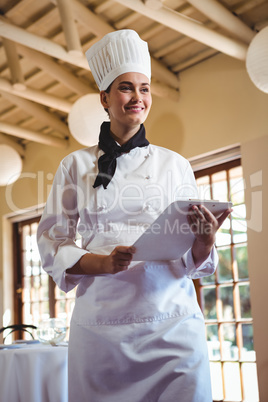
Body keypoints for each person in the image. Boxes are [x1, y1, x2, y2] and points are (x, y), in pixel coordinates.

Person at [37, 29, 231, 402]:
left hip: (172, 325)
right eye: (126, 88)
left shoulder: (175, 164)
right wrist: (103, 263)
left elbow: (192, 257)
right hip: (101, 330)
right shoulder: (74, 165)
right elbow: (52, 241)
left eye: (144, 88)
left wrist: (205, 240)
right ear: (104, 98)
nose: (137, 97)